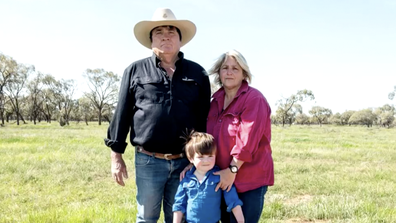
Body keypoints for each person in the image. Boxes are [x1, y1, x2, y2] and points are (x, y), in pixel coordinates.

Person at [104, 8, 211, 223]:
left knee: (179, 217)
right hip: (148, 160)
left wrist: (197, 158)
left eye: (172, 31)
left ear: (180, 40)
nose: (166, 36)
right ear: (151, 39)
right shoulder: (134, 71)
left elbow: (203, 119)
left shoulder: (198, 73)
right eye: (159, 31)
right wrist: (116, 155)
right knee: (147, 217)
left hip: (184, 162)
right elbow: (122, 112)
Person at [207, 50, 274, 223]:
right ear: (219, 72)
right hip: (220, 178)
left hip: (248, 179)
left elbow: (247, 141)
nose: (229, 72)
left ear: (244, 73)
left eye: (235, 68)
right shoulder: (214, 102)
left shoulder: (254, 99)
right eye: (225, 68)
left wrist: (232, 170)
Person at [173, 131, 244, 223]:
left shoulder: (219, 177)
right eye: (201, 157)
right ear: (191, 159)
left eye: (210, 156)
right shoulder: (186, 179)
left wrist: (241, 220)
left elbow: (232, 199)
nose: (206, 160)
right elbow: (179, 205)